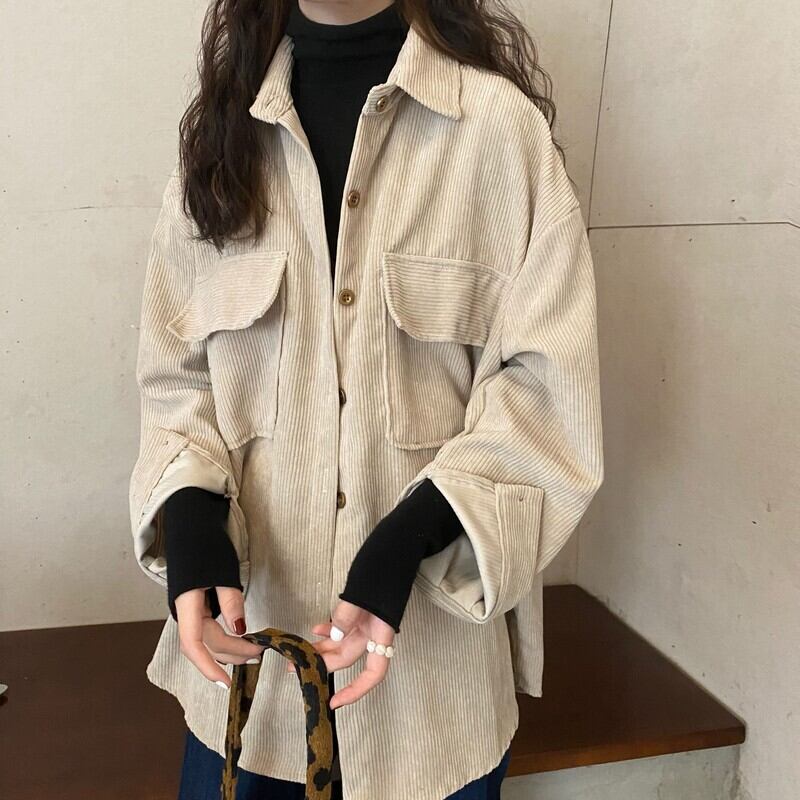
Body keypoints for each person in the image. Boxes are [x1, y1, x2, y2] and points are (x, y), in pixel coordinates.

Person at [127, 0, 604, 797]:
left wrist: (412, 535)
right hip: (249, 700)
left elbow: (552, 399)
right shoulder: (221, 137)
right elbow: (177, 376)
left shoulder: (498, 135)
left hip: (430, 706)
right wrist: (190, 512)